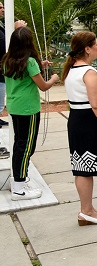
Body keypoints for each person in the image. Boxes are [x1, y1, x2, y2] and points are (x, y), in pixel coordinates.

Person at [62, 32, 97, 224]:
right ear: (87, 49)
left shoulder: (73, 69)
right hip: (89, 122)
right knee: (84, 169)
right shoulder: (89, 73)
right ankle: (86, 211)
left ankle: (88, 209)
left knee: (82, 167)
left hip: (79, 120)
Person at [3, 26, 58, 201]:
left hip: (14, 106)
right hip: (28, 108)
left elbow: (22, 72)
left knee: (20, 144)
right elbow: (43, 86)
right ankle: (19, 188)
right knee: (26, 147)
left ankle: (20, 178)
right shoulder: (30, 62)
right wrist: (54, 78)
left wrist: (39, 66)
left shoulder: (7, 60)